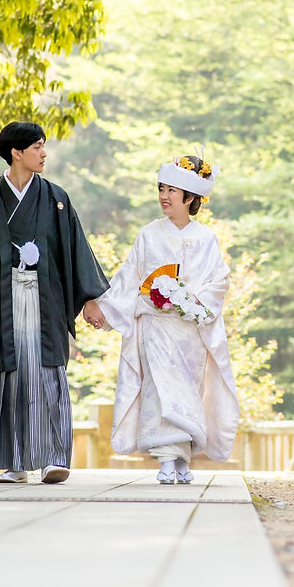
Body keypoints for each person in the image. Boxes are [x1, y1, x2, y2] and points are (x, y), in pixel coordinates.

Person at [0, 121, 108, 484]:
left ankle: (53, 458)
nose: (44, 153)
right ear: (16, 152)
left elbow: (74, 252)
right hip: (3, 302)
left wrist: (89, 300)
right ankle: (12, 462)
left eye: (43, 146)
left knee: (47, 374)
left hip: (45, 299)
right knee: (9, 378)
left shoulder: (56, 199)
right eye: (36, 147)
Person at [90, 155, 239, 484]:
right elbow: (129, 277)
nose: (164, 196)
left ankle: (182, 457)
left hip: (189, 331)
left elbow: (220, 281)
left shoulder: (206, 239)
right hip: (154, 326)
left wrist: (189, 298)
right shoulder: (148, 234)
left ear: (190, 198)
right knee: (160, 390)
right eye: (161, 188)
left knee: (187, 390)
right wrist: (103, 306)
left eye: (172, 190)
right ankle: (168, 461)